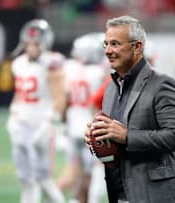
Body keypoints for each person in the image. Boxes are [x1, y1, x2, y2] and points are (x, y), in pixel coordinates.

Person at [85, 15, 175, 203]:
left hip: (157, 195)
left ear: (137, 47)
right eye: (106, 44)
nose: (108, 51)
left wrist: (127, 136)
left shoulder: (163, 84)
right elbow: (116, 145)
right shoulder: (110, 89)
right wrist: (98, 139)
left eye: (115, 44)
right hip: (120, 193)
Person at [6, 19, 66, 203]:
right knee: (24, 178)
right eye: (29, 43)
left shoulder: (52, 63)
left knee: (43, 178)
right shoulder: (19, 63)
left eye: (36, 43)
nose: (31, 47)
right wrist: (13, 115)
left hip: (42, 124)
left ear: (45, 43)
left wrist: (49, 122)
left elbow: (60, 97)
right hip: (22, 122)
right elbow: (19, 94)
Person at [58, 32, 108, 203]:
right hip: (90, 126)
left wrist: (63, 124)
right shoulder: (98, 72)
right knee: (94, 170)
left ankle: (75, 200)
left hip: (72, 127)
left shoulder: (70, 68)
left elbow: (65, 100)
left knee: (76, 171)